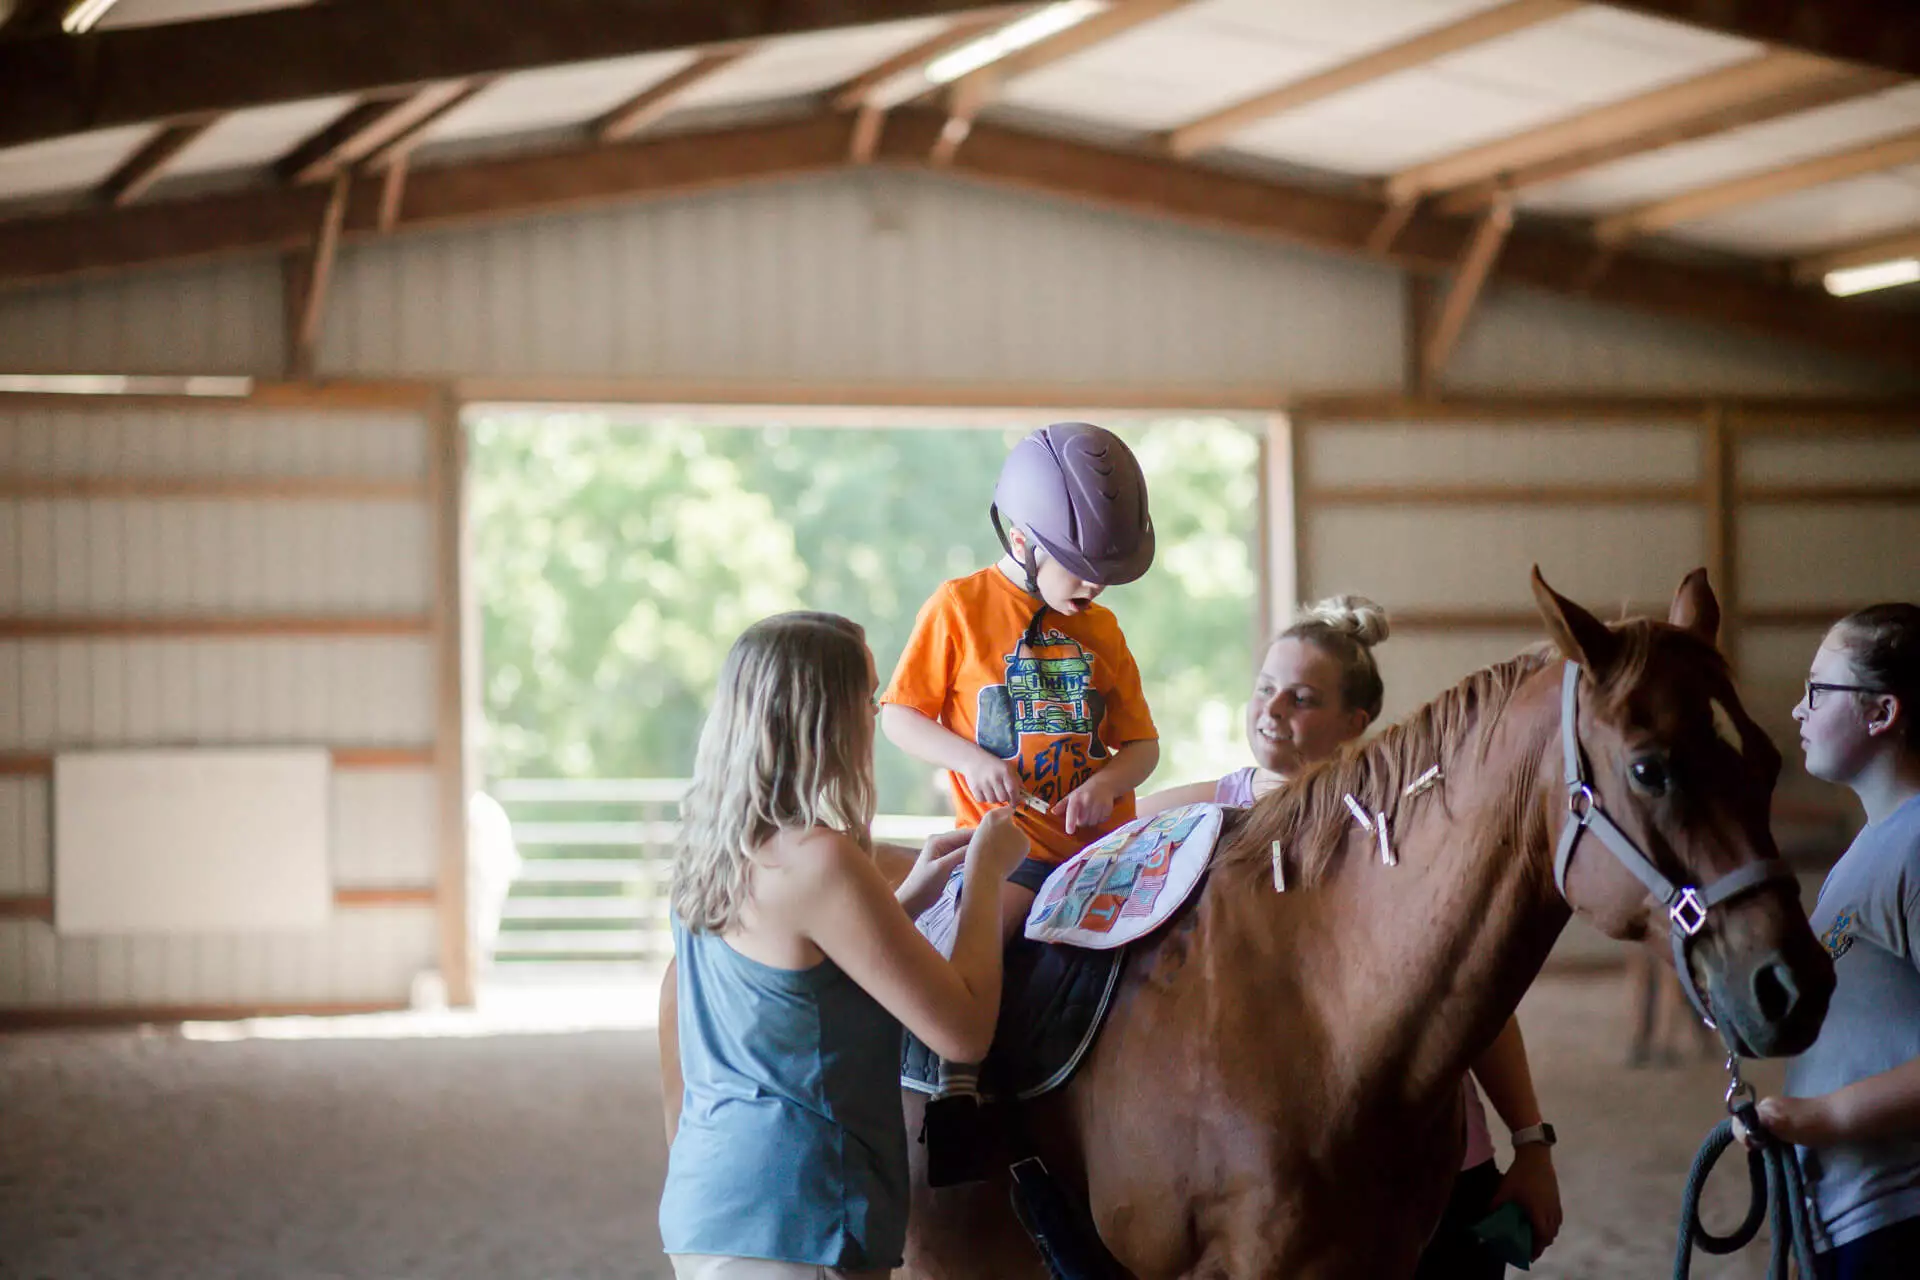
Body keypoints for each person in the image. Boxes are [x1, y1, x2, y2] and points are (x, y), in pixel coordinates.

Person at [1140, 596, 1564, 1277]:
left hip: (1441, 1160)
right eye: (1265, 690)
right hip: (1277, 1166)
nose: (1272, 711)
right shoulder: (1200, 815)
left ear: (1355, 722)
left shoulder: (1396, 836)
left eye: (1301, 699)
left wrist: (1530, 1143)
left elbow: (1475, 995)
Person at [657, 611, 1030, 1280]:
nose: (874, 716)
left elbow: (799, 968)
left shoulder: (718, 848)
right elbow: (964, 1031)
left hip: (712, 1207)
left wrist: (907, 896)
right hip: (800, 1214)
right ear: (825, 715)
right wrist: (984, 875)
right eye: (867, 697)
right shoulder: (822, 859)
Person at [878, 422, 1161, 937]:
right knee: (991, 943)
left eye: (1103, 572)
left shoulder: (1103, 628)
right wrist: (969, 760)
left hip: (1109, 851)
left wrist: (1107, 784)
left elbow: (1143, 746)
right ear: (1021, 541)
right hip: (1009, 852)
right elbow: (898, 716)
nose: (1095, 584)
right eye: (1078, 567)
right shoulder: (959, 608)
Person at [1743, 602, 1920, 1279]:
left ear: (1881, 714)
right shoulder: (1867, 851)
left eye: (1818, 690)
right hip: (1851, 1210)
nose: (1798, 710)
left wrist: (1822, 1115)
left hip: (1898, 1215)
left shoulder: (1915, 846)